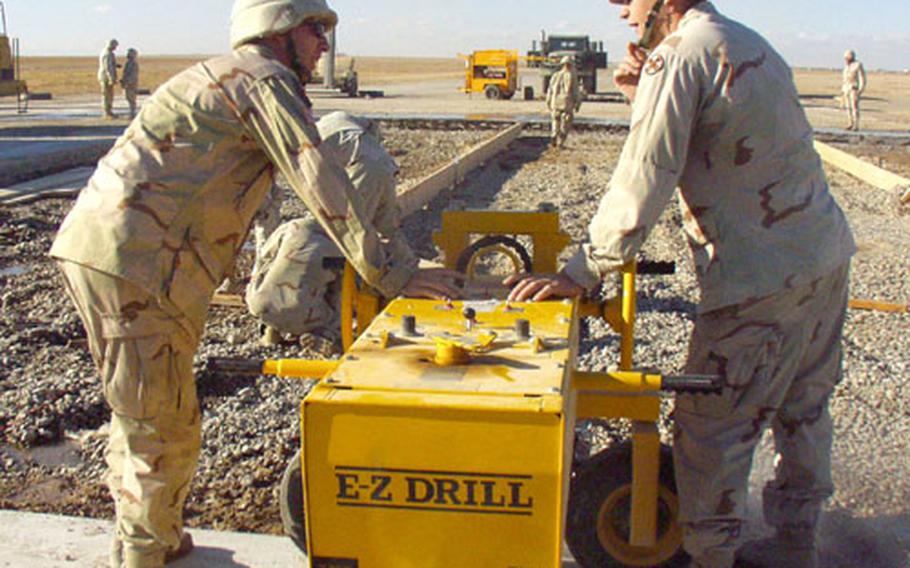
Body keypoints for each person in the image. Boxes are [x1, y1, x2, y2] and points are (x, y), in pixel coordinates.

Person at [50, 1, 460, 566]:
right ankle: (145, 553)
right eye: (316, 29)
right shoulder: (265, 80)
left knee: (145, 412)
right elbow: (323, 185)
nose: (323, 43)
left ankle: (154, 535)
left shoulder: (227, 76)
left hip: (130, 259)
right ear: (279, 32)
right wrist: (394, 273)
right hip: (140, 264)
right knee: (163, 425)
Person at [506, 1, 855, 567]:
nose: (623, 13)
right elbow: (722, 137)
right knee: (804, 408)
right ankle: (795, 545)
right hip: (823, 260)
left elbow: (646, 174)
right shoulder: (743, 41)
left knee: (712, 428)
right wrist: (642, 93)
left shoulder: (680, 56)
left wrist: (583, 271)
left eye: (628, 1)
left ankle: (710, 555)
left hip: (758, 283)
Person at [246, 111, 414, 347]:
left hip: (270, 292)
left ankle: (315, 327)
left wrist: (402, 274)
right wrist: (405, 271)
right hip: (366, 166)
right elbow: (384, 227)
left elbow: (355, 228)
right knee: (341, 246)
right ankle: (330, 328)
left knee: (335, 243)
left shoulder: (320, 143)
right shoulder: (365, 152)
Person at [545, 56, 581, 149]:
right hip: (566, 104)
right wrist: (577, 103)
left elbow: (550, 90)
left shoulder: (555, 75)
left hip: (555, 103)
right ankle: (560, 143)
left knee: (555, 121)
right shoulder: (572, 76)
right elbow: (576, 91)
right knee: (565, 123)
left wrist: (548, 101)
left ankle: (554, 135)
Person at [842, 49, 867, 131]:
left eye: (847, 58)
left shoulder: (858, 65)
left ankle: (856, 125)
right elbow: (844, 79)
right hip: (846, 89)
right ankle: (850, 123)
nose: (846, 60)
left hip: (854, 89)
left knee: (854, 108)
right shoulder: (846, 67)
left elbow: (862, 79)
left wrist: (860, 90)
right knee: (847, 107)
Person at [98, 38, 119, 118]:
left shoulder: (108, 53)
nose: (115, 48)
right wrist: (111, 79)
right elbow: (107, 68)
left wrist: (115, 65)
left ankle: (109, 111)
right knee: (107, 95)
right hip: (105, 77)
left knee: (109, 95)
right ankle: (106, 112)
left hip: (106, 76)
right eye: (115, 46)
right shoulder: (107, 54)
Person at [121, 48, 140, 119]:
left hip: (131, 84)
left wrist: (128, 82)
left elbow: (133, 75)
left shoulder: (134, 63)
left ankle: (132, 113)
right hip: (127, 83)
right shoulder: (128, 63)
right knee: (128, 97)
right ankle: (131, 112)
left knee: (131, 99)